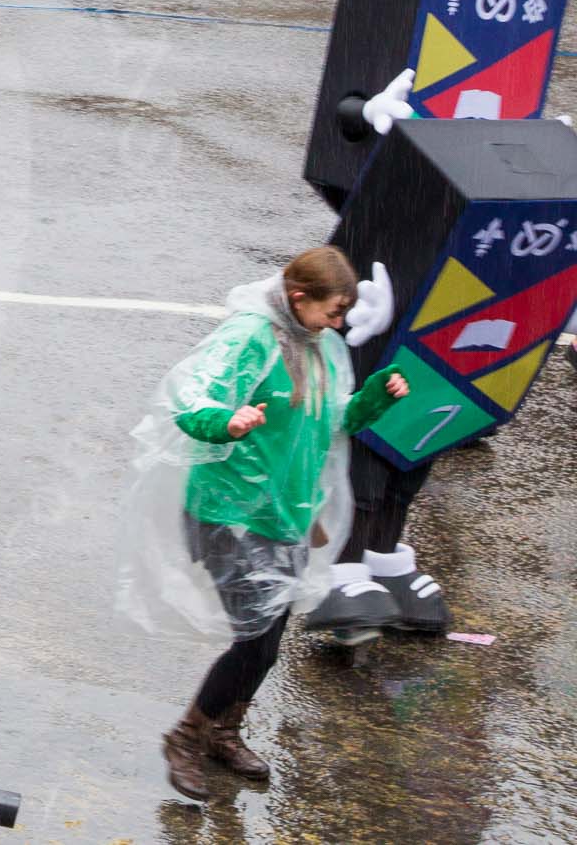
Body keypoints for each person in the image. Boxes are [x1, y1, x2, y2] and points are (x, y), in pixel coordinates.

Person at [117, 247, 408, 801]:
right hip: (231, 514)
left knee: (267, 643)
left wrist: (377, 395)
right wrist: (226, 422)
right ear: (300, 298)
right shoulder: (250, 338)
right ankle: (186, 738)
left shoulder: (318, 343)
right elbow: (187, 402)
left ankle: (223, 733)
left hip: (286, 515)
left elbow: (336, 418)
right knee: (254, 639)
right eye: (333, 310)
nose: (340, 323)